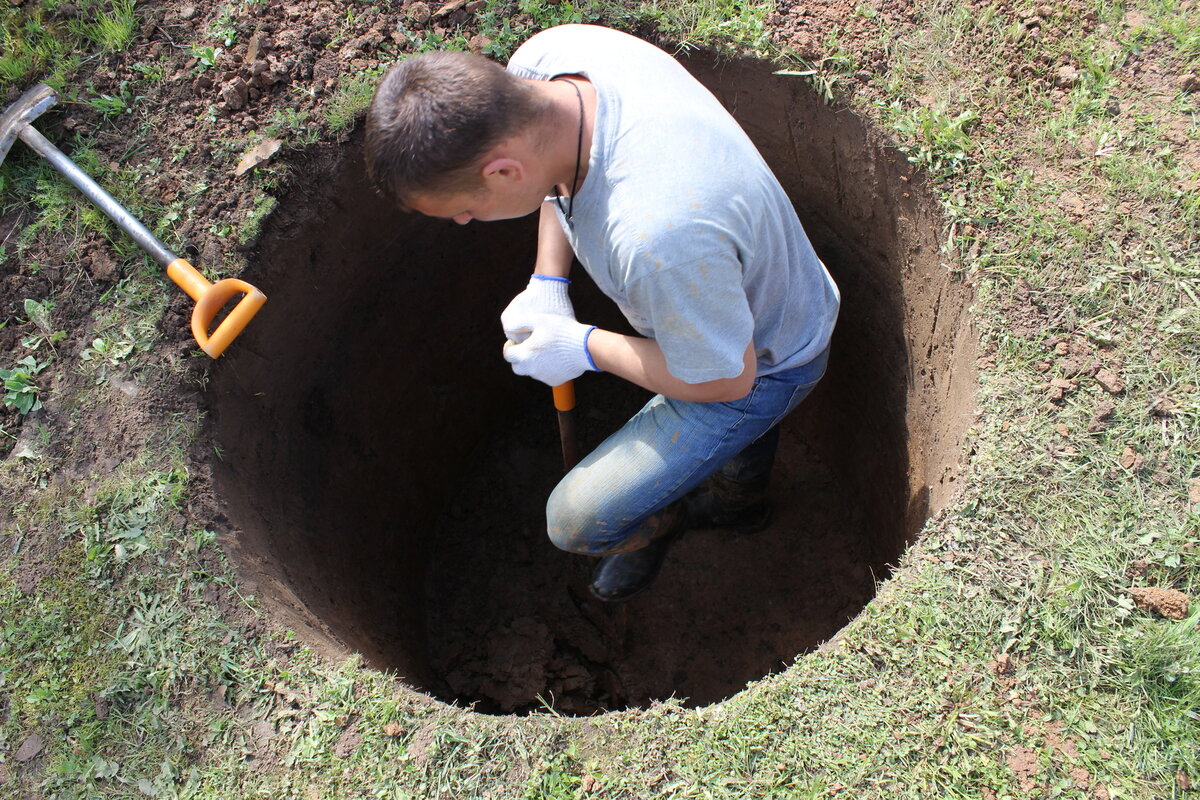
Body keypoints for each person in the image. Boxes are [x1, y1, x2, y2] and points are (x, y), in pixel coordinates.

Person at [365, 24, 839, 602]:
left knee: (576, 521)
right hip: (721, 304)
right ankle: (731, 496)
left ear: (502, 172)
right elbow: (555, 181)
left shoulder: (655, 240)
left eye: (464, 209)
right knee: (708, 399)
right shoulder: (552, 62)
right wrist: (547, 277)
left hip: (767, 362)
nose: (464, 223)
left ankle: (707, 514)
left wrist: (584, 346)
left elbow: (725, 379)